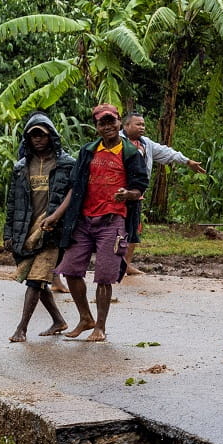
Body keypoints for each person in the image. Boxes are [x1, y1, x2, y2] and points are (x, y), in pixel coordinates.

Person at [55, 104, 149, 342]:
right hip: (84, 220)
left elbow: (139, 189)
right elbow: (75, 186)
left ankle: (101, 327)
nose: (107, 127)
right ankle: (85, 318)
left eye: (111, 122)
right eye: (102, 123)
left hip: (113, 221)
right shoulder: (87, 151)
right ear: (96, 127)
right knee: (70, 270)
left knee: (105, 276)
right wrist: (55, 216)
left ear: (119, 123)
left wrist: (125, 194)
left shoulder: (130, 153)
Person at [4, 112, 76, 342]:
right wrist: (8, 233)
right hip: (25, 230)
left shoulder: (67, 165)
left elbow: (75, 196)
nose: (38, 139)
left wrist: (60, 220)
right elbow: (12, 202)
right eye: (33, 135)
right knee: (36, 279)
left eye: (42, 135)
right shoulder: (21, 167)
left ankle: (21, 328)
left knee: (36, 279)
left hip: (52, 231)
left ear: (51, 136)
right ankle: (58, 320)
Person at [119, 111, 207, 277]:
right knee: (116, 229)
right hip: (117, 192)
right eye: (138, 124)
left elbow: (167, 152)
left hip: (137, 193)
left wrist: (187, 161)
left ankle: (125, 264)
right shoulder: (115, 142)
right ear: (126, 126)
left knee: (133, 229)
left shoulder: (146, 144)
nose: (142, 128)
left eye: (143, 125)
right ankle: (115, 264)